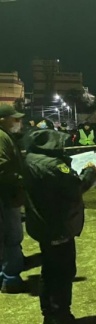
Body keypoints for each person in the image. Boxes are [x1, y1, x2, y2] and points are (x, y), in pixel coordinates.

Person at [23, 129, 96, 324]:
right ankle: (62, 321)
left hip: (41, 225)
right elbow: (77, 187)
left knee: (49, 270)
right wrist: (91, 172)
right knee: (63, 273)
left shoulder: (30, 158)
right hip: (58, 225)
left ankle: (48, 316)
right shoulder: (54, 167)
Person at [0, 104, 27, 294]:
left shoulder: (5, 136)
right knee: (12, 235)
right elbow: (2, 167)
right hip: (5, 195)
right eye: (15, 119)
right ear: (3, 120)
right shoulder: (1, 137)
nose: (18, 122)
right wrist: (21, 179)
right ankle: (11, 278)